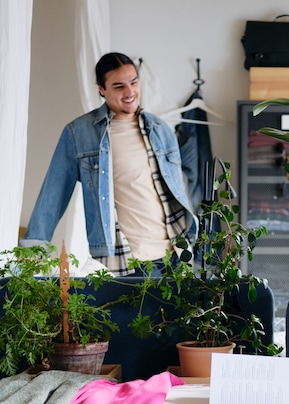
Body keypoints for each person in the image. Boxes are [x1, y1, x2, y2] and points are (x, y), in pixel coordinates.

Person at [21, 52, 198, 276]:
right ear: (101, 89)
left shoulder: (160, 129)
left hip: (174, 255)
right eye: (119, 86)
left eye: (133, 82)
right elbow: (52, 195)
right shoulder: (80, 133)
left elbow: (176, 192)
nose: (130, 92)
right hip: (125, 262)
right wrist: (32, 253)